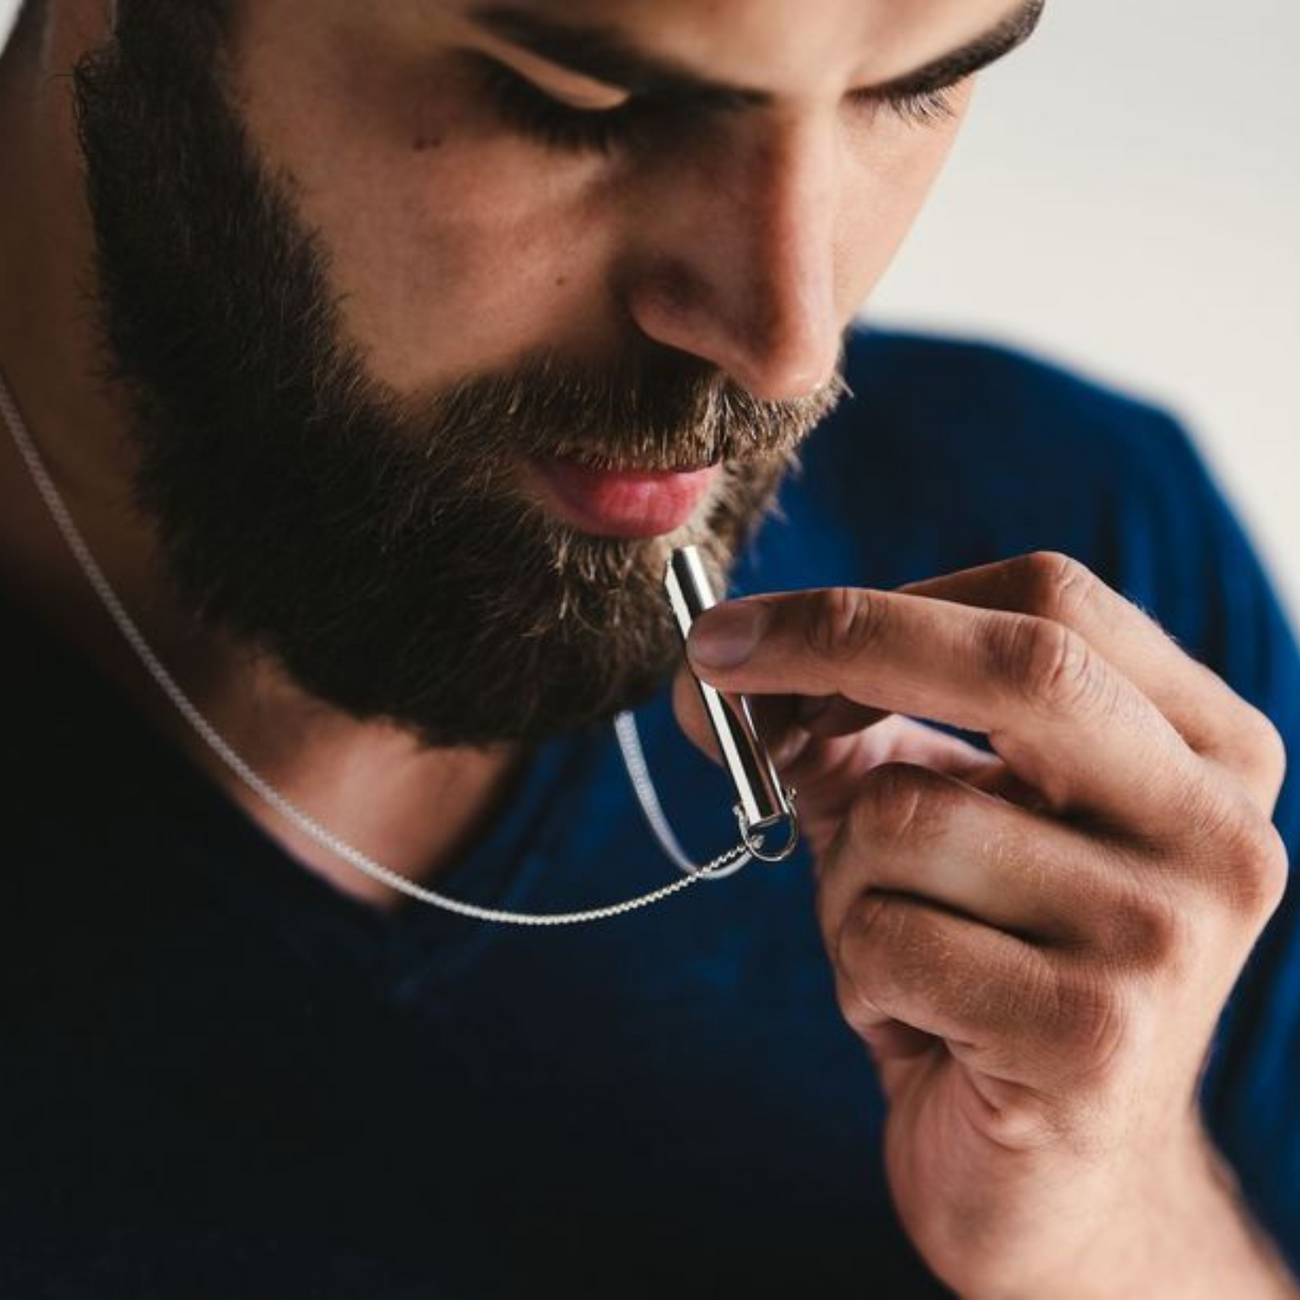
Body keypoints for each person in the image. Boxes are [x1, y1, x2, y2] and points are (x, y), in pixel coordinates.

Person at [0, 0, 1296, 1294]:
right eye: (580, 102)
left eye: (917, 86)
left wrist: (1118, 1230)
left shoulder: (1083, 575)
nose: (789, 343)